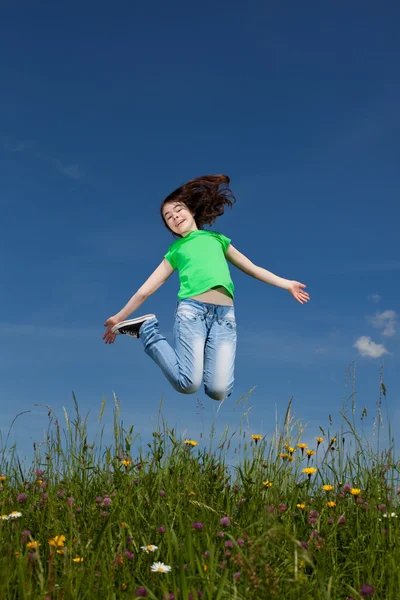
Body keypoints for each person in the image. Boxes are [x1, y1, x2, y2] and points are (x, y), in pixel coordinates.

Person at [103, 174, 310, 401]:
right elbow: (145, 290)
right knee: (188, 384)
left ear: (191, 211)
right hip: (192, 314)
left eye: (178, 210)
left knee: (218, 392)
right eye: (168, 217)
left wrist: (287, 284)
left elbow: (251, 267)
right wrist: (118, 317)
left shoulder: (217, 239)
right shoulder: (176, 250)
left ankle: (205, 372)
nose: (174, 217)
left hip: (225, 318)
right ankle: (147, 330)